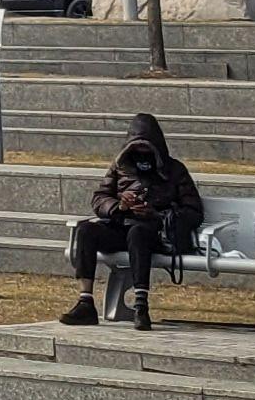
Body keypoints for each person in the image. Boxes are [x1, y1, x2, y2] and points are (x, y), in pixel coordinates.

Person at [60, 109, 205, 328]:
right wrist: (119, 207)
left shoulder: (175, 170)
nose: (141, 154)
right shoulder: (120, 167)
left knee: (138, 234)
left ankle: (141, 305)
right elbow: (100, 198)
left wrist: (157, 213)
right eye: (136, 148)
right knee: (86, 230)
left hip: (156, 233)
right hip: (122, 225)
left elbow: (193, 211)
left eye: (146, 148)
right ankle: (85, 301)